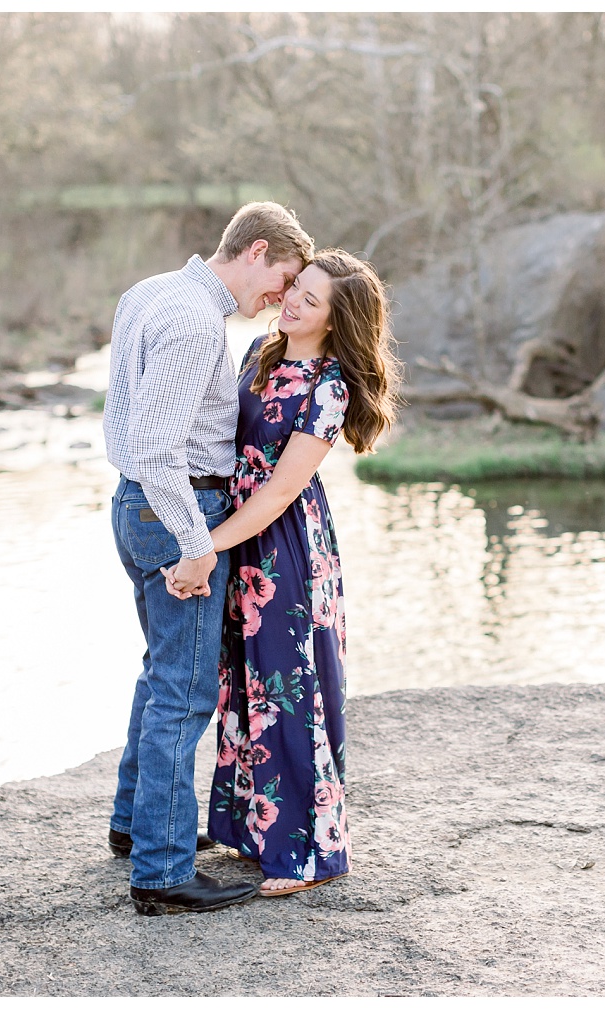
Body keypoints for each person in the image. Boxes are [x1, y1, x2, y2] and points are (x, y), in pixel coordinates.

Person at [166, 249, 400, 897]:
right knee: (241, 683)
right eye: (296, 285)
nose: (292, 299)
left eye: (312, 298)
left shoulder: (328, 386)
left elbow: (276, 493)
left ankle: (302, 854)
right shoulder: (259, 355)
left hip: (282, 548)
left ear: (336, 320)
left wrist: (201, 546)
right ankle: (251, 829)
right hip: (236, 536)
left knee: (285, 688)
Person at [103, 202, 314, 916]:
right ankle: (161, 874)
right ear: (256, 250)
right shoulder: (197, 322)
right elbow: (160, 446)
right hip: (176, 510)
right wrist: (197, 544)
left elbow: (122, 421)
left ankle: (137, 825)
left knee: (159, 670)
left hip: (133, 504)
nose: (280, 299)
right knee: (184, 692)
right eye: (283, 279)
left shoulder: (151, 290)